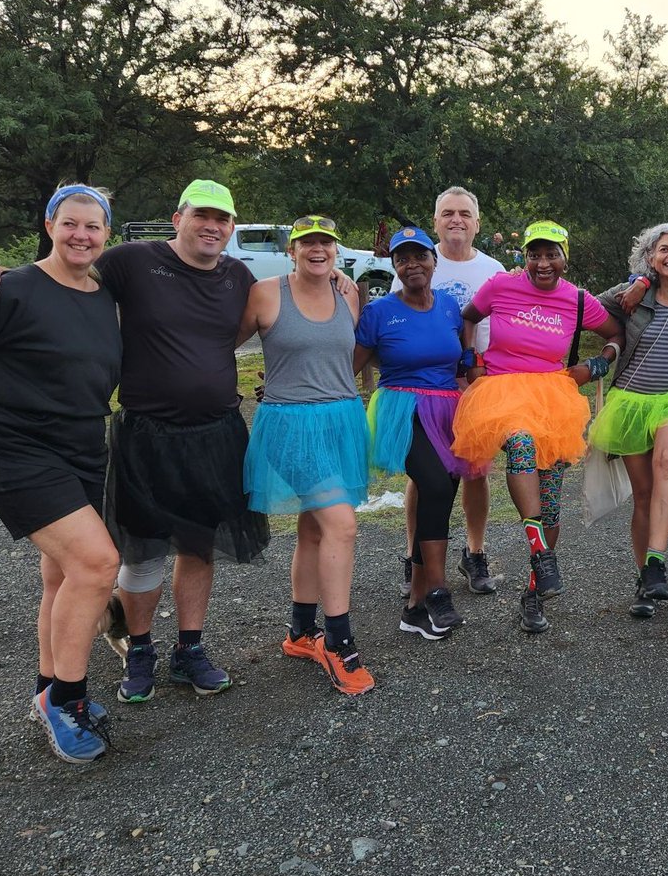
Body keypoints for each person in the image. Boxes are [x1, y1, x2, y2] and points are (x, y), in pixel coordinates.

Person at [98, 180, 270, 703]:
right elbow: (67, 277)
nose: (212, 226)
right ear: (178, 218)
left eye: (223, 219)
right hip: (146, 433)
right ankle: (140, 647)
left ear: (232, 228)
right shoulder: (130, 261)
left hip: (217, 432)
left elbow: (244, 331)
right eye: (202, 215)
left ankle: (189, 650)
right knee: (143, 549)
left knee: (200, 547)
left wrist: (331, 272)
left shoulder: (238, 276)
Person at [0, 185, 121, 763]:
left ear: (106, 234)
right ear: (49, 224)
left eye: (93, 227)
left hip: (82, 448)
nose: (82, 236)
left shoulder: (100, 296)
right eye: (71, 223)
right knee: (97, 564)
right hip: (17, 448)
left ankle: (47, 688)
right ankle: (67, 700)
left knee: (61, 575)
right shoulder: (13, 288)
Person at [451, 220, 624, 634]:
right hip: (502, 393)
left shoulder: (579, 300)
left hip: (554, 398)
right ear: (525, 256)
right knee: (522, 445)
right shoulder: (500, 286)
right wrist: (471, 359)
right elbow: (469, 317)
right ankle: (542, 556)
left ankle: (533, 593)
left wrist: (598, 363)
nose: (542, 263)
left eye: (551, 254)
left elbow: (615, 333)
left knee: (551, 504)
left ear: (565, 257)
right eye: (534, 254)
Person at [238, 214, 373, 695]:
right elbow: (218, 347)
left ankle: (300, 631)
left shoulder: (348, 294)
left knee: (315, 526)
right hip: (290, 425)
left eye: (326, 242)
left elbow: (346, 354)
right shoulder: (266, 293)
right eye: (307, 242)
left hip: (341, 421)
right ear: (291, 250)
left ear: (336, 250)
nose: (318, 249)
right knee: (341, 523)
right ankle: (338, 641)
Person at [354, 225, 478, 641]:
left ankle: (415, 608)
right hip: (401, 408)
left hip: (447, 410)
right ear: (394, 267)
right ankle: (438, 592)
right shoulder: (378, 313)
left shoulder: (448, 307)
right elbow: (345, 367)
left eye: (419, 256)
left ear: (433, 260)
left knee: (441, 493)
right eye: (403, 259)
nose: (413, 265)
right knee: (434, 487)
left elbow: (462, 359)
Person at [592, 223, 668, 618]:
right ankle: (644, 577)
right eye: (664, 250)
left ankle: (657, 560)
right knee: (642, 497)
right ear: (650, 256)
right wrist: (639, 282)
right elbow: (585, 309)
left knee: (666, 464)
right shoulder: (630, 296)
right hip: (629, 401)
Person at [397, 187, 505, 597]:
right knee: (423, 476)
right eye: (448, 213)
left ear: (477, 223)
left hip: (479, 386)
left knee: (475, 471)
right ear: (436, 221)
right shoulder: (418, 264)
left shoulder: (494, 269)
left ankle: (474, 553)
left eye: (464, 213)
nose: (456, 220)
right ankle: (414, 556)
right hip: (427, 389)